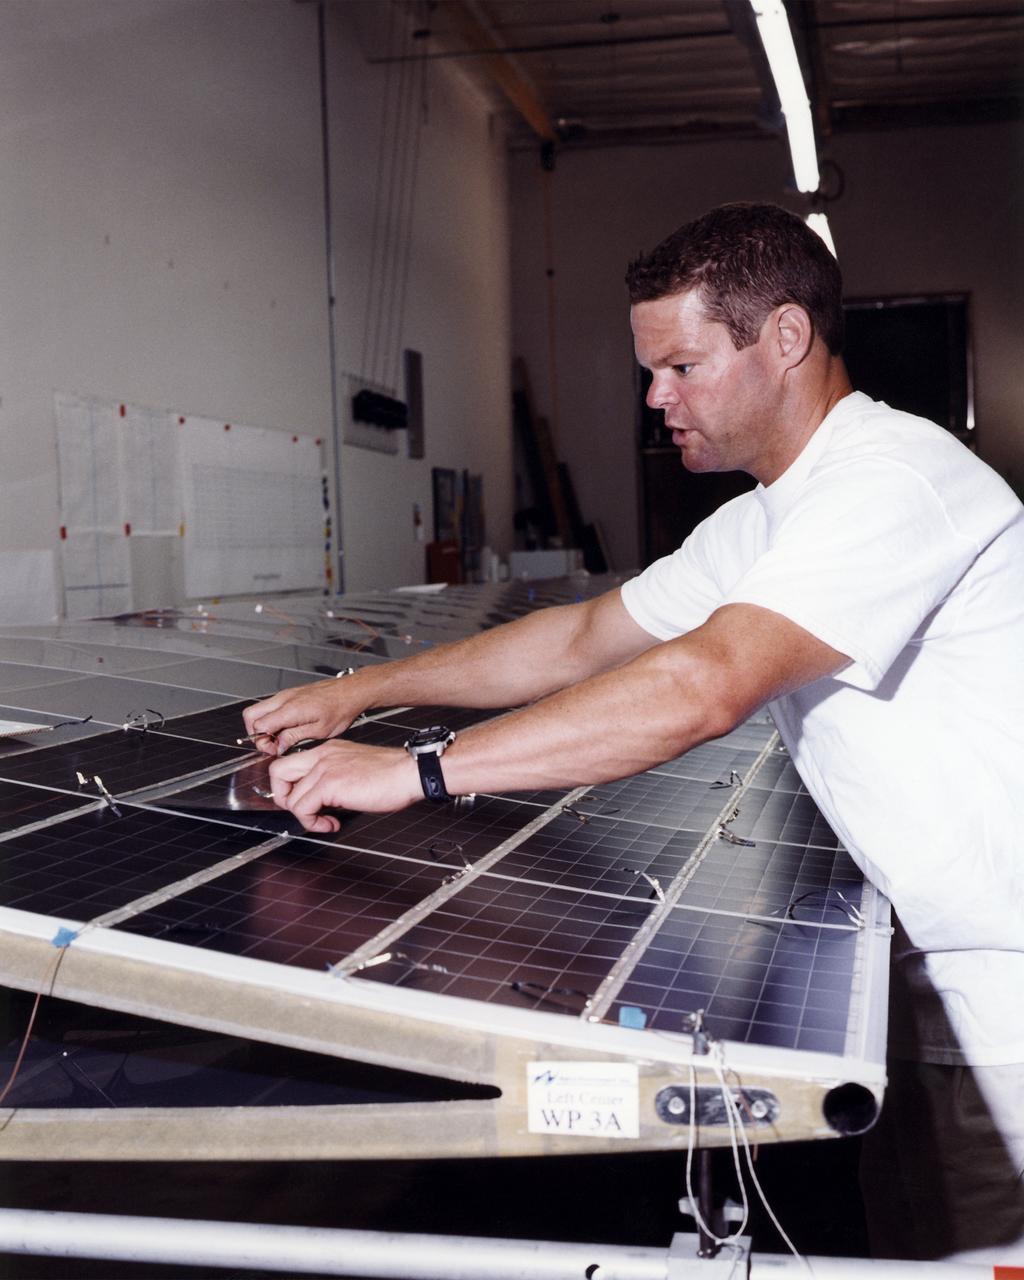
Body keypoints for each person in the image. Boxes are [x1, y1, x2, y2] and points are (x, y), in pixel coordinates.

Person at [243, 203, 1024, 1261]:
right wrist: (365, 691)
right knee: (933, 1228)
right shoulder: (760, 519)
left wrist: (417, 772)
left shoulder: (890, 478)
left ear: (785, 338)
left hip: (1007, 963)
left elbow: (700, 687)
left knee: (986, 1239)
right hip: (943, 944)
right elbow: (581, 639)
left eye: (682, 366)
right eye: (648, 370)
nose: (656, 397)